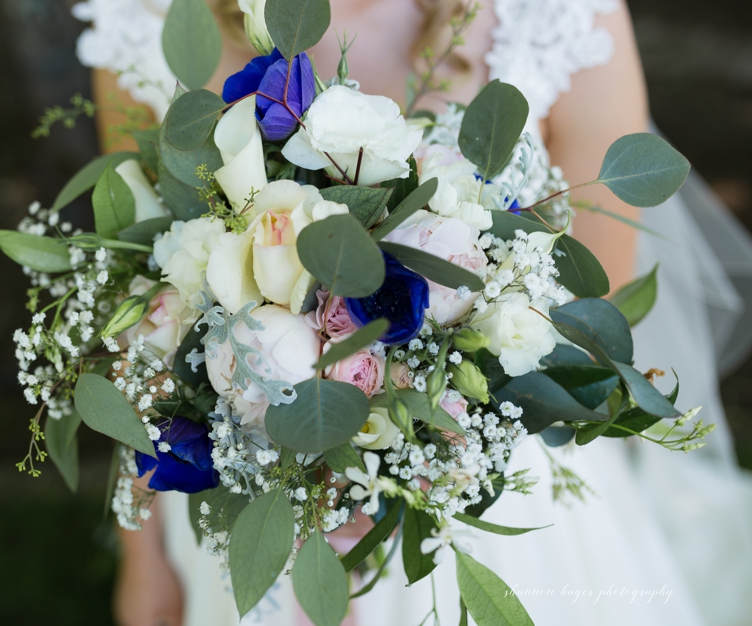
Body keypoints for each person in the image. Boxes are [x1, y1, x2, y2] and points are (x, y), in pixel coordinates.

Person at [71, 0, 752, 624]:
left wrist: (417, 441)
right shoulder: (150, 18)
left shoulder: (557, 14)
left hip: (484, 501)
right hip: (255, 517)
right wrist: (146, 556)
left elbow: (589, 327)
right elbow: (150, 306)